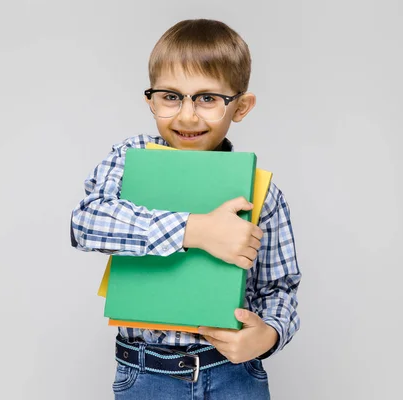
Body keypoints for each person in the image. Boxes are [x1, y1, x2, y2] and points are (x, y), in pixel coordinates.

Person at [70, 18, 300, 399]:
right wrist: (196, 230)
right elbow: (87, 222)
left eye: (208, 98)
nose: (188, 115)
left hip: (234, 373)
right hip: (147, 374)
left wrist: (268, 334)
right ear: (150, 100)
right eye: (171, 96)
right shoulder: (130, 160)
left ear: (241, 106)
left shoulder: (262, 191)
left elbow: (279, 287)